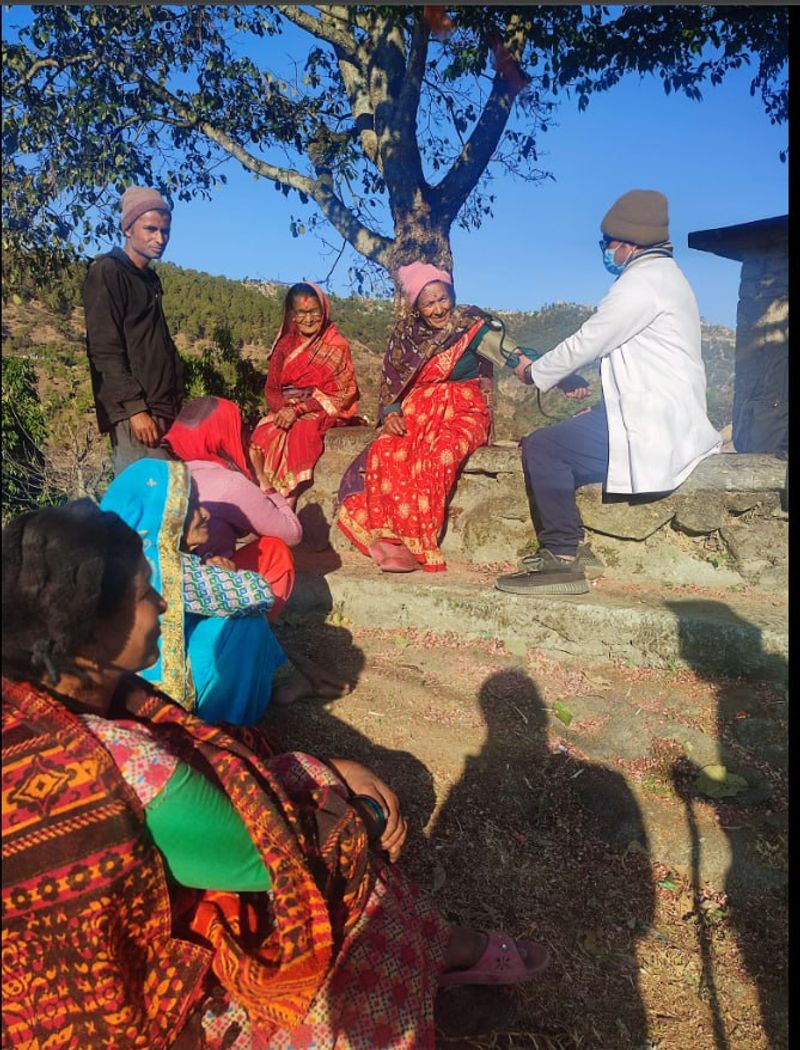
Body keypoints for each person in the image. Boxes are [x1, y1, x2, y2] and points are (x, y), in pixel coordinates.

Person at [2, 501, 550, 1049]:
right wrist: (361, 816)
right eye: (146, 593)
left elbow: (218, 751)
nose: (164, 602)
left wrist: (327, 768)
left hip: (53, 990)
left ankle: (446, 944)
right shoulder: (125, 765)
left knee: (302, 775)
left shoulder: (37, 704)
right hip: (144, 1006)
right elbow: (277, 868)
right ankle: (429, 957)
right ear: (90, 628)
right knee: (363, 900)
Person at [496, 189, 722, 596]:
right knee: (565, 445)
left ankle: (562, 556)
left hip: (653, 424)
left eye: (607, 243)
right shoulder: (666, 278)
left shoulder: (642, 282)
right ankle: (574, 550)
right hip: (660, 416)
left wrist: (536, 372)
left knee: (544, 448)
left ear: (628, 243)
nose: (604, 250)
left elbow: (590, 340)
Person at [99, 459, 333, 724]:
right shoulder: (174, 569)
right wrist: (225, 575)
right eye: (192, 506)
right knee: (247, 624)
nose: (205, 514)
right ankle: (228, 726)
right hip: (165, 703)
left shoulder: (114, 555)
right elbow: (260, 594)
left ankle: (288, 677)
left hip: (119, 696)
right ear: (166, 514)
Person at [336, 263, 497, 573]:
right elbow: (392, 381)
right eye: (429, 303)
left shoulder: (471, 326)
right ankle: (389, 538)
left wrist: (550, 374)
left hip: (464, 410)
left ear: (452, 295)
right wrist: (392, 412)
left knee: (439, 456)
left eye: (442, 299)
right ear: (417, 308)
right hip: (417, 411)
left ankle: (418, 542)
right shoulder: (406, 337)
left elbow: (511, 354)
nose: (439, 309)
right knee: (386, 448)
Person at [164, 396, 302, 615]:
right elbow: (292, 533)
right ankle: (255, 628)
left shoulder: (170, 474)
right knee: (276, 551)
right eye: (239, 430)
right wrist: (261, 476)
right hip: (208, 583)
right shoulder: (229, 483)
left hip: (171, 585)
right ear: (224, 435)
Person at [83, 186, 184, 475]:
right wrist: (136, 409)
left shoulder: (148, 279)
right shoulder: (108, 272)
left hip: (162, 409)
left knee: (171, 504)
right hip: (137, 414)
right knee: (147, 509)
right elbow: (104, 349)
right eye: (150, 229)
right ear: (128, 228)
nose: (160, 238)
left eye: (165, 231)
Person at [250, 282, 359, 508]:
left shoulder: (336, 345)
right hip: (284, 408)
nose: (308, 319)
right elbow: (271, 388)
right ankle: (260, 502)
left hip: (319, 408)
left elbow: (342, 392)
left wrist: (298, 409)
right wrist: (283, 408)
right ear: (292, 314)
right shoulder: (284, 344)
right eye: (301, 313)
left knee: (301, 433)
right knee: (262, 436)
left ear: (324, 310)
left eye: (314, 312)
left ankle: (286, 503)